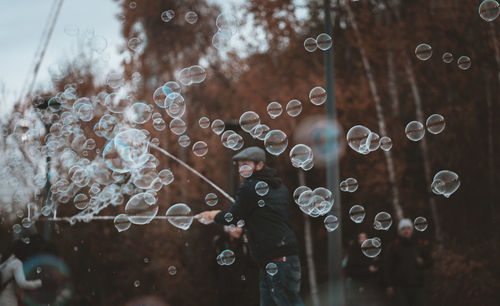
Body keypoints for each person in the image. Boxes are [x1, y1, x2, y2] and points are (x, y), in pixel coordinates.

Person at [196, 146, 303, 306]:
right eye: (239, 165)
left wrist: (212, 215)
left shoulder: (250, 187)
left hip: (276, 258)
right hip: (281, 257)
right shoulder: (279, 187)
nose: (241, 168)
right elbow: (262, 217)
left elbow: (233, 217)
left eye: (246, 164)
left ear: (259, 165)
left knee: (287, 302)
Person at [384, 219, 432, 306]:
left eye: (408, 228)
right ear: (399, 231)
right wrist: (389, 285)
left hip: (418, 285)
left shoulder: (419, 244)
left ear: (412, 230)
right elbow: (388, 267)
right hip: (400, 287)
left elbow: (430, 262)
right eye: (403, 229)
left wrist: (423, 263)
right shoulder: (394, 246)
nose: (406, 231)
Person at [213, 225, 258, 306]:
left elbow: (253, 263)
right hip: (225, 287)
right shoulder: (219, 242)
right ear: (226, 229)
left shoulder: (245, 242)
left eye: (240, 227)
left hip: (243, 287)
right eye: (234, 227)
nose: (238, 230)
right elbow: (213, 266)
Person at [0, 229, 43, 306]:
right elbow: (22, 283)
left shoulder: (5, 261)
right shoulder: (17, 263)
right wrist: (40, 282)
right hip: (9, 301)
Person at [345, 232, 384, 306]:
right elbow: (350, 271)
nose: (363, 240)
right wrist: (368, 270)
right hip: (357, 288)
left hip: (370, 288)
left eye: (365, 237)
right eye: (360, 238)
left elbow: (379, 266)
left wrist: (376, 262)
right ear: (357, 240)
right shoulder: (353, 253)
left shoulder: (372, 252)